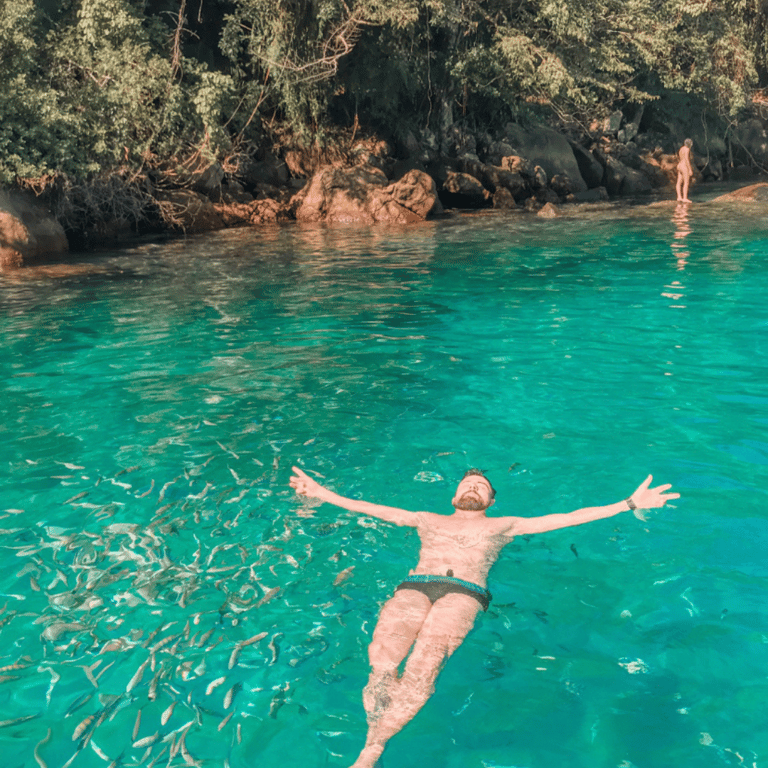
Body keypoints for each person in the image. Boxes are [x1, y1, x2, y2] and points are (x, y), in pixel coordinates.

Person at [289, 466, 679, 768]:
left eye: (481, 486)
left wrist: (628, 504)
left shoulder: (505, 525)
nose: (473, 488)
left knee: (426, 664)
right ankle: (374, 731)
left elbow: (568, 517)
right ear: (454, 496)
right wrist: (321, 493)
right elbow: (373, 509)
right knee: (383, 661)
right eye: (467, 484)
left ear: (492, 500)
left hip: (464, 593)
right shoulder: (425, 518)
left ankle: (372, 750)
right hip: (415, 586)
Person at [676, 138, 694, 202]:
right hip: (684, 166)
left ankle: (679, 197)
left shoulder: (681, 148)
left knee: (679, 182)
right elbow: (686, 159)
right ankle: (685, 198)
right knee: (686, 182)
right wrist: (690, 169)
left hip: (679, 165)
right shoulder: (687, 149)